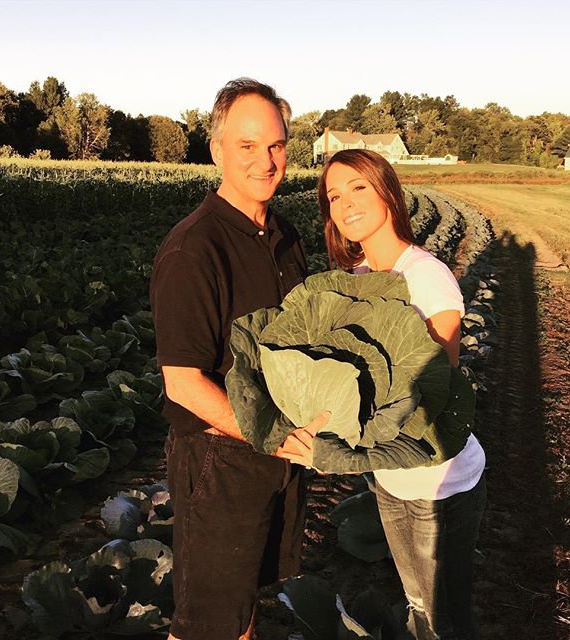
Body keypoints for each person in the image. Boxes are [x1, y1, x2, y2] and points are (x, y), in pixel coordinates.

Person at [280, 149, 487, 640]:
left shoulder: (425, 276)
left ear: (388, 192)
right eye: (333, 195)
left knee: (447, 618)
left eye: (358, 187)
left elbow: (433, 390)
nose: (345, 203)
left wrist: (337, 448)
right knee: (416, 604)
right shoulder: (355, 282)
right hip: (392, 480)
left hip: (442, 484)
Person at [149, 78, 328, 640]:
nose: (265, 161)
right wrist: (267, 433)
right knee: (206, 623)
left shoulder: (281, 234)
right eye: (247, 146)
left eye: (275, 145)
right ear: (217, 149)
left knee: (242, 608)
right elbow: (182, 382)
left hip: (274, 456)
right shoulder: (194, 248)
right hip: (219, 460)